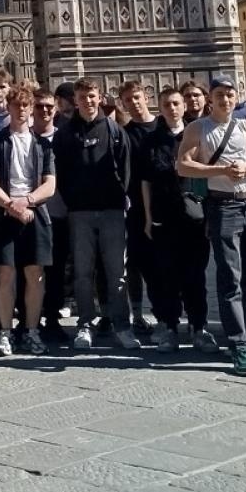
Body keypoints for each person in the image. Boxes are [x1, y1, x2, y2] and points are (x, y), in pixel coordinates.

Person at [176, 76, 246, 378]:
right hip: (223, 206)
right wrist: (220, 170)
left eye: (230, 94)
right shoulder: (198, 128)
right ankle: (237, 345)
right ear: (211, 98)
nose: (226, 100)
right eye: (220, 94)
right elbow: (182, 164)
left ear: (236, 97)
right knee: (230, 277)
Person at [53, 77, 135, 350]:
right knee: (83, 273)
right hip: (80, 213)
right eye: (82, 97)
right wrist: (74, 199)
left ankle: (122, 325)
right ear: (74, 100)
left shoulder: (114, 130)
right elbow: (60, 173)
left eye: (92, 96)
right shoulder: (65, 134)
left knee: (117, 273)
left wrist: (116, 196)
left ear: (100, 97)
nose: (87, 101)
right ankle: (85, 324)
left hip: (111, 211)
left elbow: (126, 171)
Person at [0, 85, 57, 357]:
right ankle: (5, 333)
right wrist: (11, 205)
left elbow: (50, 185)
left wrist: (28, 202)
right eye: (17, 105)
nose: (21, 110)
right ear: (9, 107)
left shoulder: (43, 144)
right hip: (4, 214)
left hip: (34, 213)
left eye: (26, 106)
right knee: (4, 274)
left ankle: (32, 331)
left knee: (35, 275)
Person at [138, 89, 216, 353]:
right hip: (163, 217)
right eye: (166, 105)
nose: (172, 109)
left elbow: (208, 178)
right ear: (160, 108)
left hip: (194, 218)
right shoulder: (151, 141)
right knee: (166, 276)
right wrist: (148, 218)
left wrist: (208, 216)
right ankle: (170, 327)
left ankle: (198, 327)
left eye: (176, 104)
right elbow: (145, 182)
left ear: (184, 107)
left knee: (195, 276)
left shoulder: (197, 137)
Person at [118, 81, 162, 341]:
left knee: (162, 265)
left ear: (146, 96)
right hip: (134, 208)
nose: (133, 103)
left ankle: (165, 315)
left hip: (165, 206)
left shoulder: (162, 128)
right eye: (127, 100)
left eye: (136, 97)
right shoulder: (124, 133)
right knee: (134, 263)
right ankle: (137, 314)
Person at [31, 90, 69, 348]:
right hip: (30, 216)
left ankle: (52, 318)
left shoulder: (65, 137)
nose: (44, 111)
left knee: (55, 270)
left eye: (48, 107)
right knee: (31, 271)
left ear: (55, 109)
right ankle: (29, 320)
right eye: (39, 107)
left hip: (59, 213)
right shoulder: (24, 138)